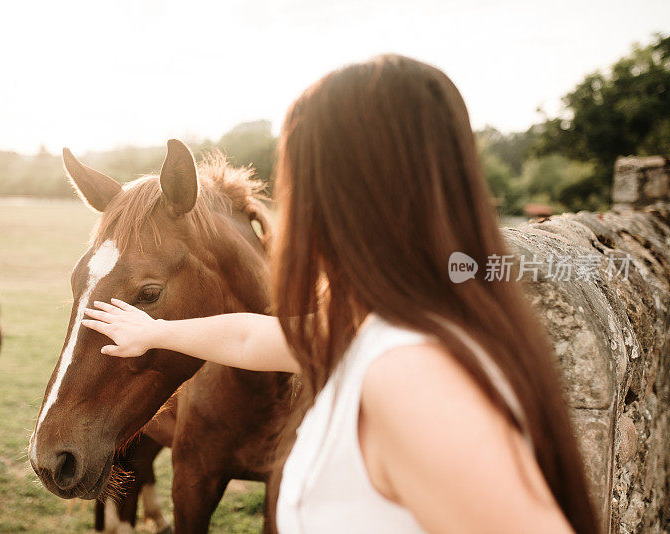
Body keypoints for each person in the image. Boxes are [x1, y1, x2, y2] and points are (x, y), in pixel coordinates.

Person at [81, 55, 598, 533]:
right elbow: (246, 337)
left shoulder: (409, 375)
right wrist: (154, 330)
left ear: (340, 196)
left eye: (298, 180)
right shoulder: (382, 326)